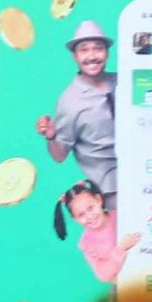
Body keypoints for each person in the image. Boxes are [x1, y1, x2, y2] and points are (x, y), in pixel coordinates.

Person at [36, 20, 116, 197]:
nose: (92, 56)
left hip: (142, 177)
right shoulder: (70, 101)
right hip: (108, 192)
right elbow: (59, 156)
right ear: (75, 56)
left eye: (98, 48)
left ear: (107, 53)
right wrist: (51, 137)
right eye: (84, 50)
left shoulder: (123, 82)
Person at [54, 179, 138, 283]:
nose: (89, 216)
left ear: (98, 200)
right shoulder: (86, 244)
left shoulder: (119, 215)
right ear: (74, 219)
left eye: (90, 208)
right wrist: (120, 249)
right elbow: (103, 275)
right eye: (81, 215)